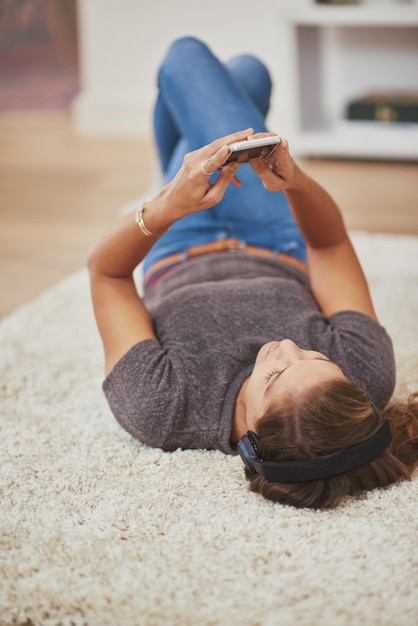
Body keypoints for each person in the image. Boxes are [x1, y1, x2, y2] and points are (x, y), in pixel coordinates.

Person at [88, 36, 418, 509]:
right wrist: (296, 182)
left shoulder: (161, 405)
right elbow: (329, 244)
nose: (286, 348)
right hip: (275, 236)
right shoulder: (363, 375)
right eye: (317, 359)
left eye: (274, 376)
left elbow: (106, 275)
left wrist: (166, 206)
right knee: (248, 75)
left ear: (252, 441)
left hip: (176, 245)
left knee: (186, 58)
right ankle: (176, 162)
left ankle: (170, 173)